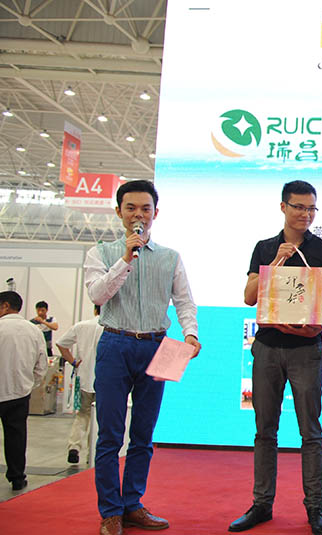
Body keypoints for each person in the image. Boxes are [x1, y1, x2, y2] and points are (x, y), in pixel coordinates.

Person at [84, 179, 201, 535]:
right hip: (115, 344)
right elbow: (98, 295)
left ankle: (132, 504)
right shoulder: (100, 253)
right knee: (110, 434)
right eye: (131, 208)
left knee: (143, 434)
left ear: (155, 213)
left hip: (155, 346)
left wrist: (191, 333)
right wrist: (125, 259)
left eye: (145, 208)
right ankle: (110, 510)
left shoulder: (170, 257)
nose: (139, 214)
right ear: (119, 212)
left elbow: (184, 300)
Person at [230, 180, 322, 535]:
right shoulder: (265, 248)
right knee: (265, 430)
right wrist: (277, 261)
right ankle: (262, 504)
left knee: (311, 431)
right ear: (283, 207)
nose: (305, 214)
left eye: (311, 209)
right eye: (299, 207)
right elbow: (250, 297)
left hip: (306, 351)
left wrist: (318, 327)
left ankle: (315, 507)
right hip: (267, 347)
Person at [0, 290, 48, 491]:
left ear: (5, 306)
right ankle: (17, 478)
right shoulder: (34, 331)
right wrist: (30, 384)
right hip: (19, 393)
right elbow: (42, 364)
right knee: (16, 436)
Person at [56, 305, 105, 464]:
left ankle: (74, 446)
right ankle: (92, 453)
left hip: (84, 377)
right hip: (105, 379)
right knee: (101, 418)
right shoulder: (111, 328)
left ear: (95, 310)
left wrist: (73, 361)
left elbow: (61, 343)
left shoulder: (81, 326)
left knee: (82, 414)